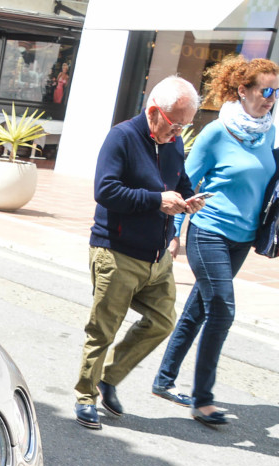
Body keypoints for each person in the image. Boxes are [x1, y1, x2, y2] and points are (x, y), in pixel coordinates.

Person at [74, 75, 208, 429]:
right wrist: (156, 201)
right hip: (116, 251)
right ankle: (85, 395)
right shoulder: (122, 137)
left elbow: (177, 182)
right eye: (175, 123)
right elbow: (106, 190)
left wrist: (187, 199)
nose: (178, 133)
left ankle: (109, 377)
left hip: (157, 255)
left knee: (163, 322)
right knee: (103, 329)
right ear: (154, 112)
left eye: (185, 125)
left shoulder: (174, 143)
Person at [151, 57, 278, 427]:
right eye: (265, 90)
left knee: (199, 309)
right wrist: (173, 234)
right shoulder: (217, 132)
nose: (271, 98)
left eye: (276, 92)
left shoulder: (269, 132)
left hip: (242, 238)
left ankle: (163, 380)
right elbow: (182, 182)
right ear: (243, 90)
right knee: (222, 309)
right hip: (209, 231)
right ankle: (203, 399)